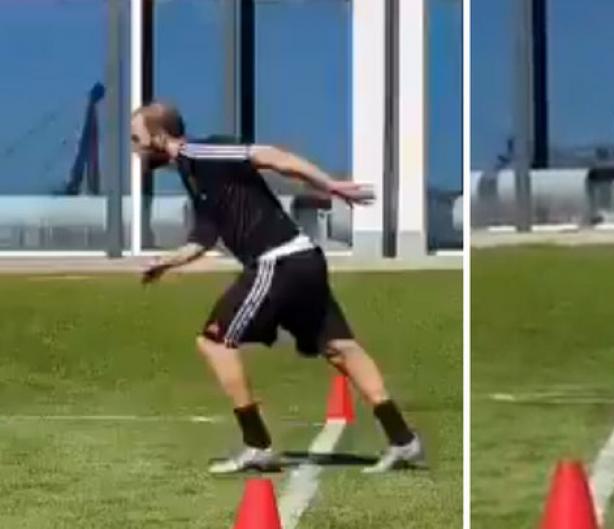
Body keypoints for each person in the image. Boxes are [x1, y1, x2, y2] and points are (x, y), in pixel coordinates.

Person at [129, 101, 424, 472]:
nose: (135, 148)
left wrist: (328, 185)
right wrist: (166, 262)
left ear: (159, 137)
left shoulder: (200, 152)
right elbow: (205, 237)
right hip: (302, 260)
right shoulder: (193, 175)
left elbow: (269, 156)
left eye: (136, 138)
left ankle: (257, 445)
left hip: (278, 261)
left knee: (214, 341)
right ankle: (403, 440)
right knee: (338, 348)